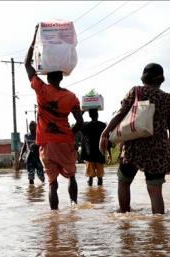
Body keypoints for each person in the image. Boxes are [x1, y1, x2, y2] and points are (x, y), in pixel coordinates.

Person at [99, 63, 170, 214]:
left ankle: (125, 218)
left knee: (124, 182)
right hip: (158, 151)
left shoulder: (136, 91)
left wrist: (105, 133)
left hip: (133, 148)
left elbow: (120, 114)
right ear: (161, 79)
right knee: (155, 191)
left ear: (144, 78)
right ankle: (158, 229)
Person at [25, 25, 84, 210]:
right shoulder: (71, 97)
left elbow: (27, 64)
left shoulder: (41, 90)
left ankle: (54, 217)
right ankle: (74, 208)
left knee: (52, 183)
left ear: (48, 77)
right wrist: (69, 134)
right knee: (72, 176)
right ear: (61, 78)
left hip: (47, 144)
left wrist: (35, 36)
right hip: (65, 141)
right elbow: (80, 122)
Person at [80, 109, 112, 186]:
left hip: (89, 155)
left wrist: (81, 113)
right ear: (97, 115)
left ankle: (90, 195)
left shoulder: (86, 126)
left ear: (90, 116)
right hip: (99, 154)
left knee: (90, 178)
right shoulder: (103, 125)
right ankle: (100, 195)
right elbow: (107, 140)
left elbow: (79, 122)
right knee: (100, 178)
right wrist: (109, 154)